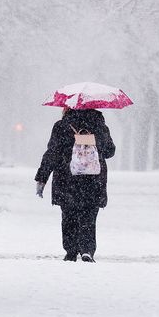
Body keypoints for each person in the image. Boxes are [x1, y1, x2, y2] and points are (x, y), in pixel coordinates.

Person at [34, 107, 116, 262]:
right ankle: (87, 250)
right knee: (89, 217)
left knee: (69, 215)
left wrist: (42, 177)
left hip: (67, 178)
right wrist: (93, 142)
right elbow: (110, 151)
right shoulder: (100, 126)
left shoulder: (61, 126)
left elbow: (52, 153)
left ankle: (71, 251)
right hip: (93, 180)